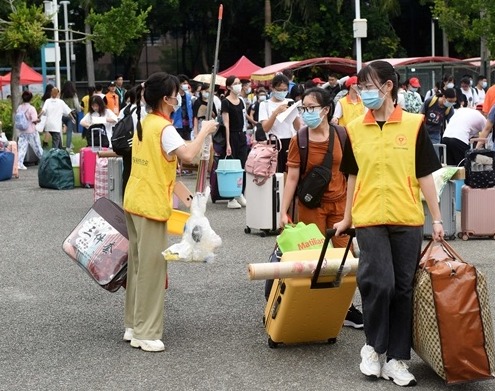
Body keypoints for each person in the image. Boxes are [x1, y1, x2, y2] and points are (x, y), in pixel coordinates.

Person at [334, 60, 444, 387]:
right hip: (369, 216)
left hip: (407, 216)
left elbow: (425, 174)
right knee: (378, 281)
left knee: (403, 288)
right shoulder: (354, 128)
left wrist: (436, 219)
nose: (365, 92)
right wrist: (347, 216)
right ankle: (372, 348)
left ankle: (396, 358)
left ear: (388, 86)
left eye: (370, 86)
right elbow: (352, 174)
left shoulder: (413, 125)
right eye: (361, 87)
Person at [122, 72, 218, 352]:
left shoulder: (145, 122)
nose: (179, 98)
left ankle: (133, 325)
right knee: (151, 269)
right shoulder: (164, 128)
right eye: (176, 93)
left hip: (135, 200)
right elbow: (188, 156)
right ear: (166, 99)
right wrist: (204, 131)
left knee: (138, 267)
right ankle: (146, 332)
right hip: (150, 204)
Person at [279, 87, 363, 329]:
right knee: (315, 259)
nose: (306, 112)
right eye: (303, 108)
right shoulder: (300, 139)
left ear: (326, 110)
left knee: (344, 259)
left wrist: (352, 209)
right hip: (310, 207)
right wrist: (283, 211)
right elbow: (292, 177)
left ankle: (345, 308)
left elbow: (351, 174)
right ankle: (313, 307)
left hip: (340, 207)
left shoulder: (343, 135)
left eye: (311, 108)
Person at [258, 74, 301, 173]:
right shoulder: (265, 104)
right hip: (274, 142)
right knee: (277, 172)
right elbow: (265, 128)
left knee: (290, 171)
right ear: (272, 88)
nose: (282, 93)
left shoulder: (290, 101)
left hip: (290, 140)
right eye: (279, 90)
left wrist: (294, 111)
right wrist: (276, 113)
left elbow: (298, 127)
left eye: (285, 90)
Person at [221, 75, 248, 209]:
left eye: (239, 83)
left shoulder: (242, 100)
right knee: (233, 166)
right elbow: (226, 124)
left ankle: (240, 192)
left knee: (242, 165)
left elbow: (244, 118)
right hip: (231, 135)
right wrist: (228, 144)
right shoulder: (225, 102)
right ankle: (231, 198)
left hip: (242, 135)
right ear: (229, 87)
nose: (239, 85)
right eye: (235, 83)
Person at [117, 86, 147, 194]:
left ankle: (125, 196)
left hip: (126, 145)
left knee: (127, 171)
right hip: (139, 145)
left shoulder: (124, 110)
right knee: (139, 172)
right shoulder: (143, 110)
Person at [16, 91, 43, 170]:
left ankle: (19, 163)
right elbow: (34, 120)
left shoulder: (19, 107)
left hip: (22, 131)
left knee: (21, 148)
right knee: (37, 147)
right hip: (31, 131)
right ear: (31, 99)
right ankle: (45, 161)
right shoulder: (31, 108)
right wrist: (39, 120)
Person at [60, 81, 82, 151]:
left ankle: (68, 144)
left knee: (65, 130)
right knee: (69, 131)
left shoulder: (62, 95)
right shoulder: (74, 95)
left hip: (63, 114)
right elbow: (76, 105)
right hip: (71, 114)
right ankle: (68, 146)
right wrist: (79, 110)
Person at [172, 74, 194, 141]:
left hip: (188, 126)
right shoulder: (174, 97)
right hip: (177, 125)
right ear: (179, 84)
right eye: (184, 83)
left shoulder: (188, 96)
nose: (186, 85)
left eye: (187, 83)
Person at [40, 84, 54, 148]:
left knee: (48, 130)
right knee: (49, 130)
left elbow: (41, 108)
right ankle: (45, 142)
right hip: (51, 115)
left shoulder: (43, 98)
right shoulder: (52, 98)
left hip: (45, 116)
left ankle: (45, 142)